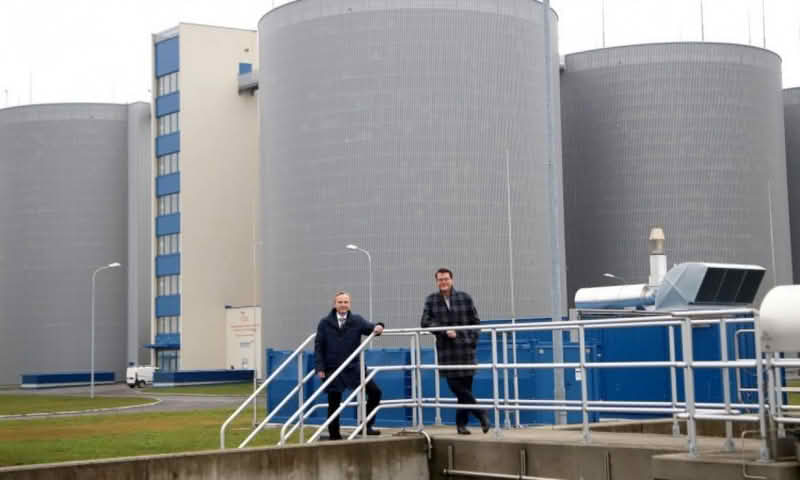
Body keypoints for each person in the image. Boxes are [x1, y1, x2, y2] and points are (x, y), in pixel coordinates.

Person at [421, 267, 490, 435]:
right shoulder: (431, 300)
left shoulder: (465, 298)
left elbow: (476, 322)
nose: (443, 282)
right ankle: (481, 413)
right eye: (440, 280)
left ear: (451, 280)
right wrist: (444, 330)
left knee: (465, 389)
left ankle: (461, 425)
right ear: (436, 282)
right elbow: (425, 322)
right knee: (456, 387)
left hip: (465, 350)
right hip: (446, 351)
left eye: (446, 279)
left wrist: (471, 341)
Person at [314, 291, 384, 440]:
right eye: (340, 302)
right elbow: (319, 346)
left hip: (353, 368)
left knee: (375, 392)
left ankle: (366, 425)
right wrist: (320, 368)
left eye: (346, 302)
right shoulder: (325, 323)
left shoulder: (356, 320)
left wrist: (379, 326)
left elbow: (371, 328)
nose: (343, 305)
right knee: (334, 402)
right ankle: (334, 435)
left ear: (349, 304)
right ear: (335, 304)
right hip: (333, 368)